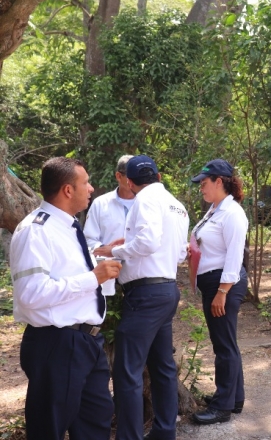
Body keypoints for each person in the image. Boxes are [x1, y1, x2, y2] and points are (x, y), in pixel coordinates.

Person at [10, 157, 122, 440]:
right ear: (67, 190)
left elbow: (65, 271)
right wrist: (93, 278)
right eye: (85, 183)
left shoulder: (69, 226)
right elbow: (31, 293)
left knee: (96, 423)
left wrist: (102, 255)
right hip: (56, 344)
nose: (92, 188)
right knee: (49, 428)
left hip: (86, 342)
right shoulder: (36, 230)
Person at [94, 155, 189, 440]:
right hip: (167, 289)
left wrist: (114, 252)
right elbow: (181, 252)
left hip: (146, 294)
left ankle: (129, 436)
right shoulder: (178, 206)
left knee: (127, 372)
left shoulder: (144, 200)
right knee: (162, 367)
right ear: (159, 176)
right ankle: (164, 432)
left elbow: (148, 242)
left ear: (130, 182)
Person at [188, 159, 250, 425]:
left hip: (224, 283)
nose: (201, 188)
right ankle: (234, 399)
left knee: (223, 346)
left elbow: (235, 256)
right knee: (226, 343)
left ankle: (222, 407)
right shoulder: (214, 210)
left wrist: (223, 291)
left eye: (204, 183)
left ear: (219, 182)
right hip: (213, 282)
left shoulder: (232, 213)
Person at [84, 154, 135, 250]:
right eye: (132, 176)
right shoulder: (100, 204)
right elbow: (89, 239)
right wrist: (108, 250)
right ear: (119, 176)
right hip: (109, 263)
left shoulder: (147, 204)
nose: (137, 180)